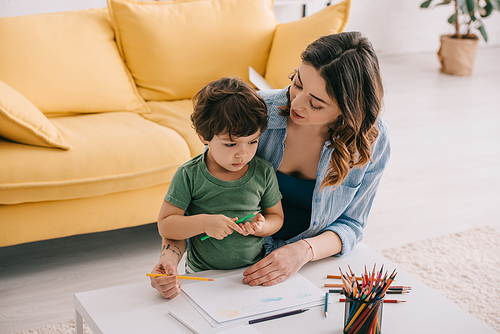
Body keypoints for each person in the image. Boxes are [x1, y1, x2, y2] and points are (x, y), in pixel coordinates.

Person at [150, 31, 390, 299]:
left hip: (314, 264)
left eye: (315, 103)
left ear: (348, 109)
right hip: (238, 267)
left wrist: (302, 252)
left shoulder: (370, 141)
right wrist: (169, 258)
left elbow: (352, 224)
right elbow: (195, 200)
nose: (295, 103)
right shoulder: (253, 115)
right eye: (297, 83)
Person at [156, 77, 284, 277]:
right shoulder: (189, 174)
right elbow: (166, 225)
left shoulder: (263, 172)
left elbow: (276, 217)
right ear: (203, 137)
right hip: (204, 274)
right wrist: (205, 224)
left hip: (253, 271)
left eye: (252, 142)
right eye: (231, 144)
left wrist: (261, 226)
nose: (243, 154)